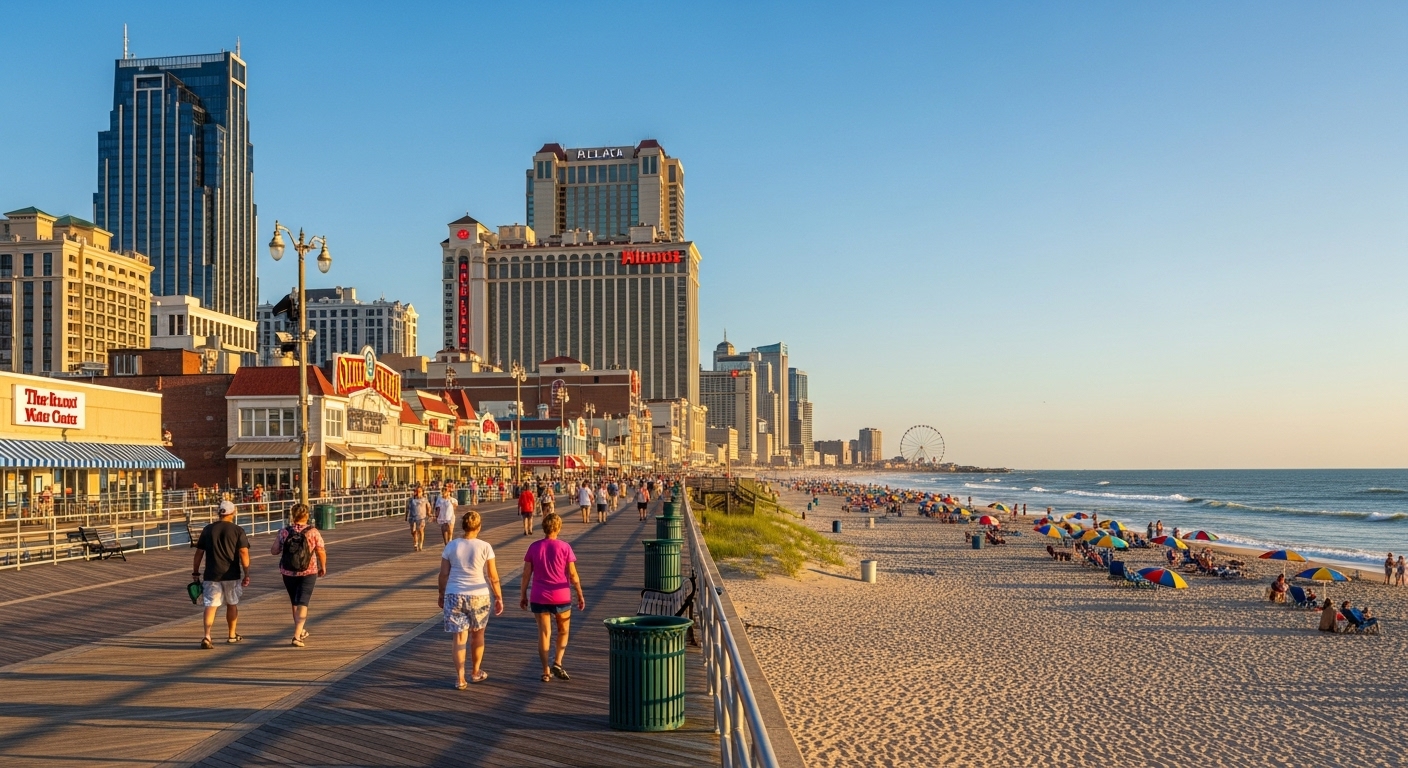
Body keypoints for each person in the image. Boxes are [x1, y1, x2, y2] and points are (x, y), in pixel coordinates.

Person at [439, 509, 503, 689]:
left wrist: (441, 594)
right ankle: (475, 672)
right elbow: (493, 576)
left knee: (459, 638)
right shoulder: (485, 547)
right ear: (479, 527)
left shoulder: (451, 546)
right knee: (478, 635)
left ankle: (460, 678)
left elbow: (443, 574)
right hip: (479, 595)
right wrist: (498, 597)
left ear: (463, 526)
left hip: (454, 594)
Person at [521, 513, 586, 683]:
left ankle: (545, 671)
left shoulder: (534, 547)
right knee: (563, 630)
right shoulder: (565, 547)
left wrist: (523, 595)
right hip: (561, 596)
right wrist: (580, 594)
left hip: (539, 596)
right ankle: (557, 661)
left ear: (544, 528)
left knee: (544, 634)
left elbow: (526, 574)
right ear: (558, 528)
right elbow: (573, 574)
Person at [192, 501, 251, 649]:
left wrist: (195, 571)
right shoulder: (238, 530)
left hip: (211, 574)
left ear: (219, 513)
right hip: (231, 573)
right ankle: (231, 635)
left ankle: (207, 636)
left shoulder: (208, 529)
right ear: (233, 513)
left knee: (211, 605)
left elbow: (199, 553)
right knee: (232, 604)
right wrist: (247, 573)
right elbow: (243, 552)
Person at [270, 503, 327, 647]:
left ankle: (300, 630)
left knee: (295, 602)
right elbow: (320, 550)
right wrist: (323, 566)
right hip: (308, 571)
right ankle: (297, 636)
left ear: (293, 515)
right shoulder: (313, 532)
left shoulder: (284, 531)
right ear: (307, 515)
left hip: (288, 572)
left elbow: (274, 550)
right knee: (303, 602)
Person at [406, 487, 430, 552]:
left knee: (420, 530)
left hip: (421, 518)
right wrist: (406, 516)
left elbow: (428, 507)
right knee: (413, 532)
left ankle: (420, 544)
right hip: (412, 517)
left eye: (420, 491)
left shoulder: (424, 499)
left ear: (422, 492)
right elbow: (407, 507)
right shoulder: (411, 500)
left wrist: (429, 513)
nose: (418, 493)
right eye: (417, 491)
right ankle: (415, 542)